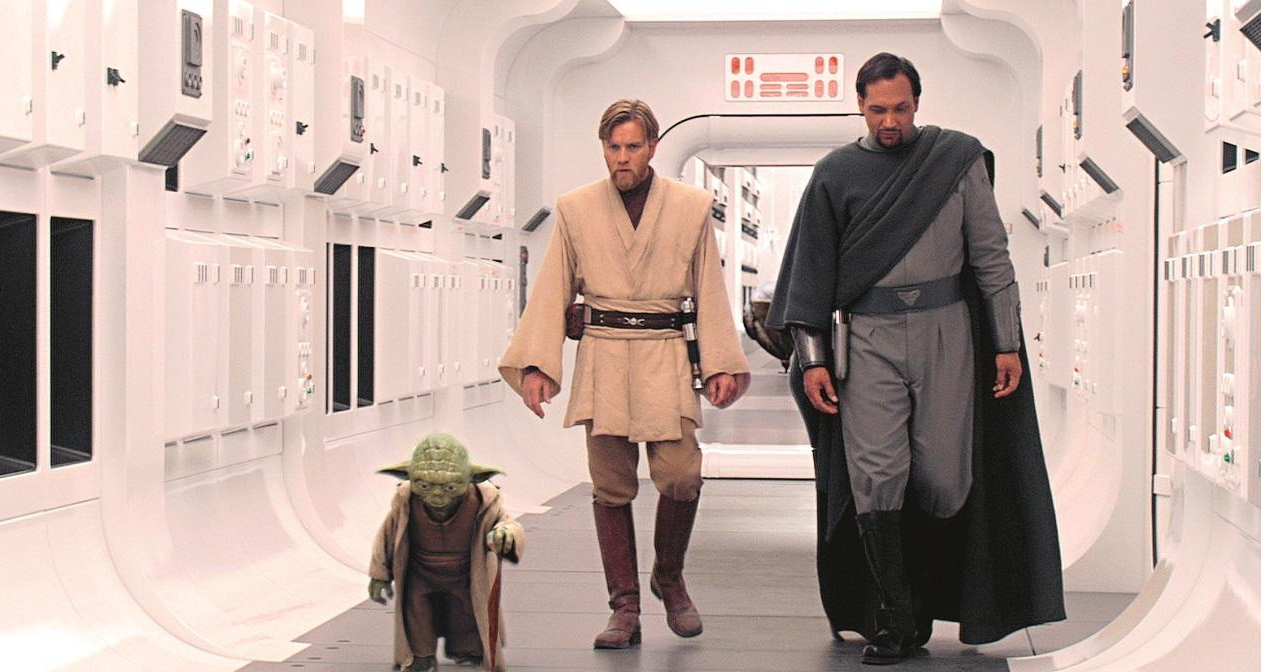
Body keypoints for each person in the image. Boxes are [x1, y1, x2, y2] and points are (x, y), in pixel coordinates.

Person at [767, 52, 1066, 664]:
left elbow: (991, 255)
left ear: (917, 104)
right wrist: (814, 358)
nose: (890, 121)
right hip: (868, 338)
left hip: (947, 330)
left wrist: (1007, 343)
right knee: (876, 474)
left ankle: (928, 596)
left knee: (944, 478)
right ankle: (895, 617)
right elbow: (810, 270)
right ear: (859, 106)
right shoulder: (834, 173)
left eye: (901, 108)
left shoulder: (955, 160)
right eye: (878, 109)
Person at [498, 99, 751, 650]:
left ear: (653, 147)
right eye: (613, 147)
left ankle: (669, 576)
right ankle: (624, 607)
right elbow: (552, 286)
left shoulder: (690, 207)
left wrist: (720, 364)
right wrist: (538, 364)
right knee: (611, 485)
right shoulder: (576, 208)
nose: (622, 157)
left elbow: (709, 288)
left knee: (681, 474)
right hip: (605, 354)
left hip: (665, 351)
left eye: (633, 146)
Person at [369, 433, 524, 672]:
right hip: (420, 573)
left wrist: (506, 533)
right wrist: (379, 574)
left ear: (471, 478)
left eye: (449, 487)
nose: (437, 496)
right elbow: (388, 535)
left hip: (464, 572)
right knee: (416, 613)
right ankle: (421, 657)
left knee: (467, 612)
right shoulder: (406, 502)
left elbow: (507, 522)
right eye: (425, 486)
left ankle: (468, 648)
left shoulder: (483, 502)